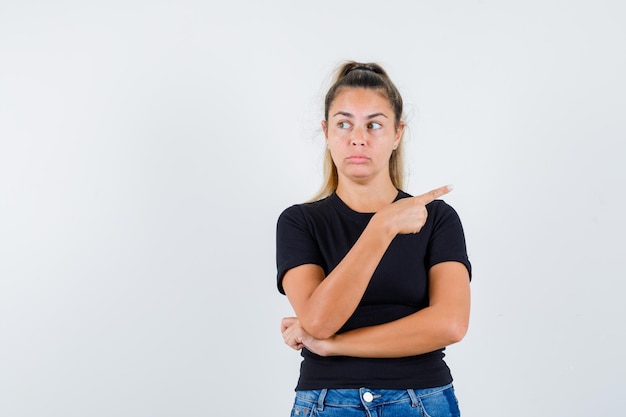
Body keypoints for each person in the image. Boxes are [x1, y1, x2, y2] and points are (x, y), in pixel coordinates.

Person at [276, 61, 472, 417]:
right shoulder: (299, 222)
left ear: (397, 133)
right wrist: (380, 228)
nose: (358, 137)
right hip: (326, 403)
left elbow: (450, 324)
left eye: (375, 124)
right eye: (344, 123)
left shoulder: (438, 218)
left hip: (422, 401)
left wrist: (334, 346)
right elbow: (319, 321)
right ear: (326, 131)